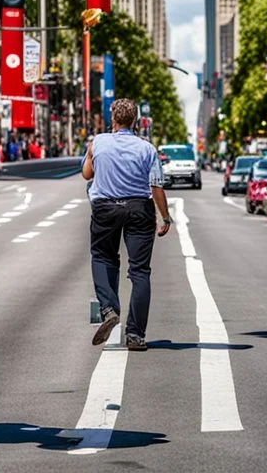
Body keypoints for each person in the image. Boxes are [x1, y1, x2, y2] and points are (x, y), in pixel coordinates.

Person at [82, 97, 172, 352]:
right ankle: (136, 335)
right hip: (138, 209)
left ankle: (109, 308)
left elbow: (87, 174)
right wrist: (165, 217)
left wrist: (93, 157)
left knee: (102, 257)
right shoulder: (147, 149)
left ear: (113, 119)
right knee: (140, 272)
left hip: (105, 209)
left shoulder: (97, 142)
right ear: (136, 122)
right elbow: (156, 185)